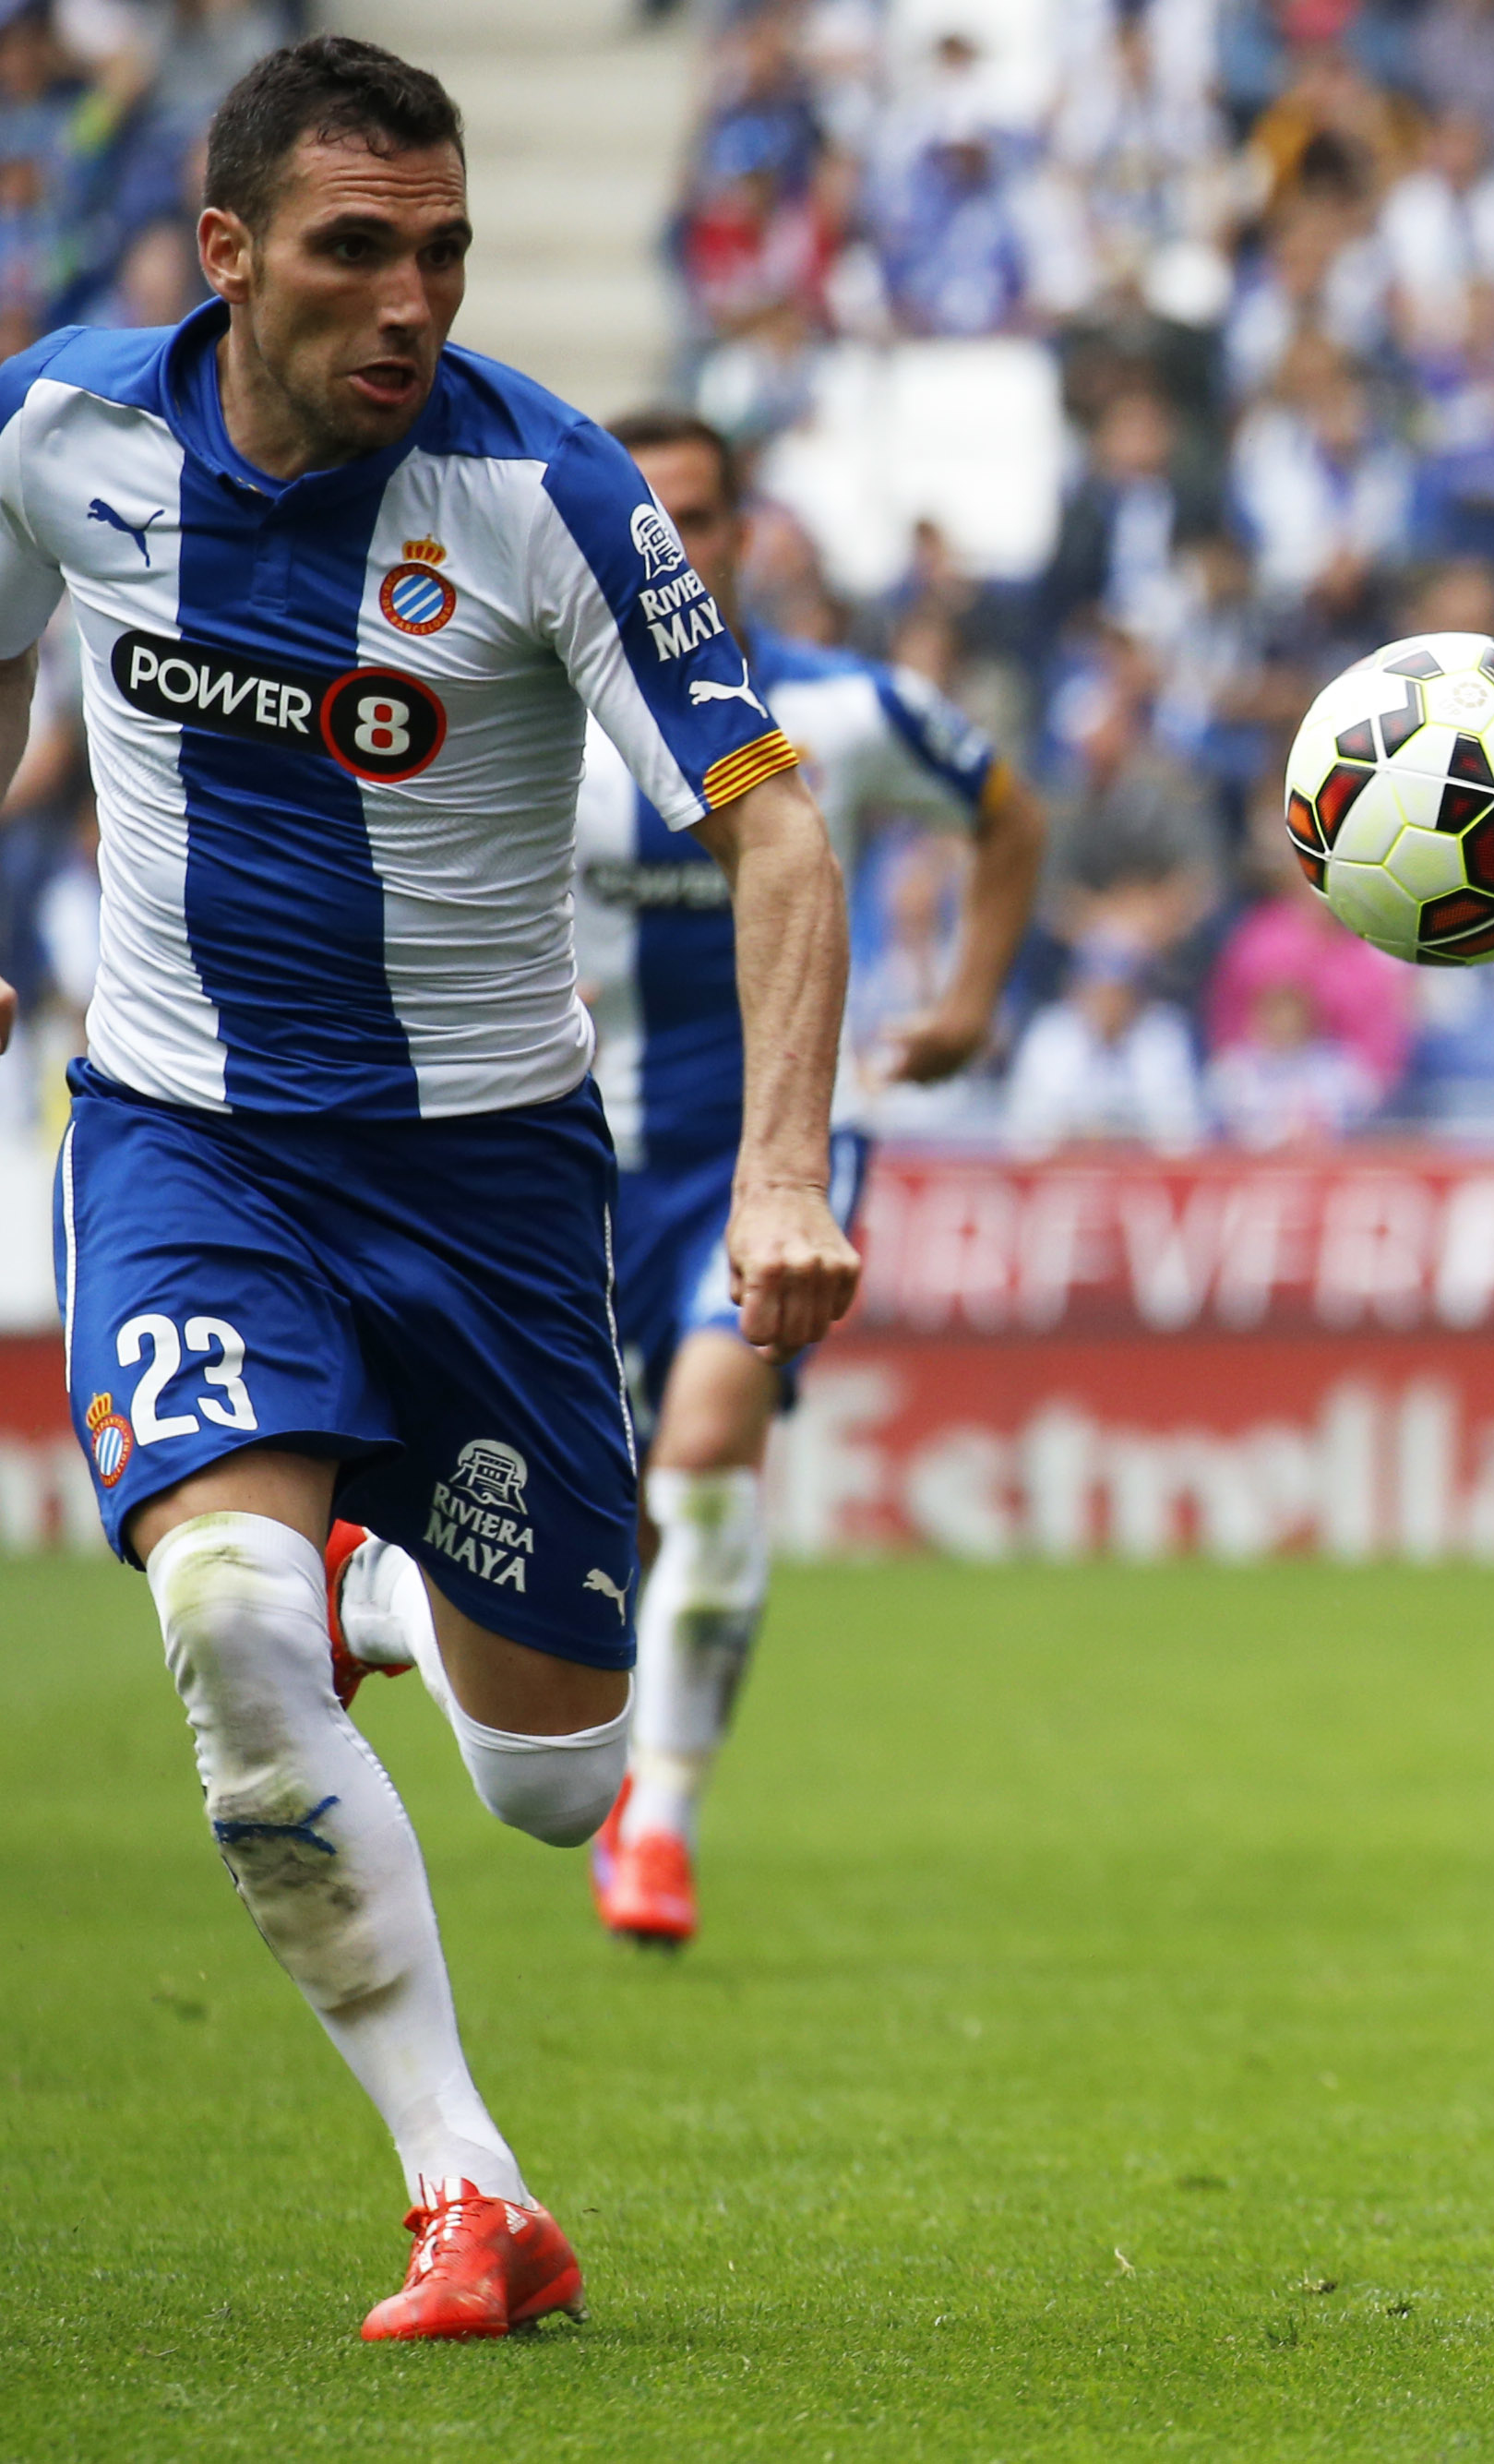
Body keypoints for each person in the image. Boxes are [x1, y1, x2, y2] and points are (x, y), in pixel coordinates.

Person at [0, 40, 854, 2337]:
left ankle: (380, 1585)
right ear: (226, 253)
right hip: (183, 1135)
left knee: (555, 1783)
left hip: (486, 1187)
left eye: (445, 250)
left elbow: (776, 826)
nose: (410, 299)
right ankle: (462, 2185)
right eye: (357, 248)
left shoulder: (549, 491)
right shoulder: (60, 432)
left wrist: (785, 1167)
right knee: (225, 1632)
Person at [574, 409, 1046, 1949]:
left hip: (764, 1152)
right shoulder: (525, 704)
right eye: (647, 516)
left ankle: (662, 1818)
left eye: (700, 518)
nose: (677, 548)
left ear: (741, 533)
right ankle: (607, 1759)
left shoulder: (840, 712)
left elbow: (1005, 813)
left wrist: (971, 1002)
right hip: (559, 1153)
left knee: (707, 1449)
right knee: (603, 1515)